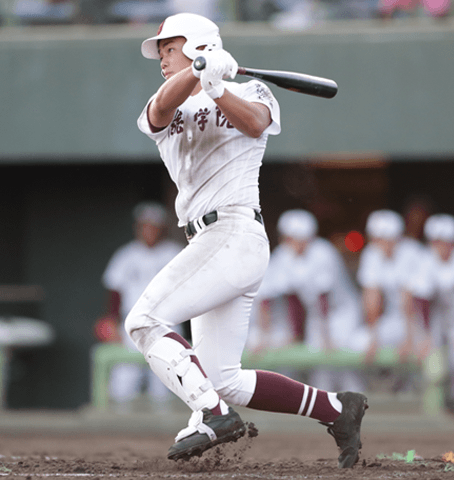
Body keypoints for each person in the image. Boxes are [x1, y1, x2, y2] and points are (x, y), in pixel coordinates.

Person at [126, 12, 368, 468]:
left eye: (169, 48)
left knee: (143, 321)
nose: (161, 57)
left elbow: (256, 124)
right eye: (159, 51)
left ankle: (213, 414)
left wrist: (218, 86)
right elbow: (160, 110)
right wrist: (199, 71)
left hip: (235, 233)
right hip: (207, 243)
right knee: (222, 377)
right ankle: (337, 409)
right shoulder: (165, 101)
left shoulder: (251, 91)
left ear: (197, 45)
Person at [249, 209, 367, 393]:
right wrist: (290, 335)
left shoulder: (323, 253)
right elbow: (274, 298)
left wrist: (327, 338)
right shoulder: (283, 255)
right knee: (318, 369)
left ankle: (360, 404)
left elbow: (323, 299)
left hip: (342, 313)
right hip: (316, 315)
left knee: (343, 366)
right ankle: (326, 413)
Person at [97, 202, 184, 411]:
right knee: (124, 381)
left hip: (167, 323)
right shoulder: (126, 255)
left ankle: (167, 430)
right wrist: (112, 322)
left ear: (161, 228)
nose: (149, 230)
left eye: (153, 226)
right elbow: (115, 293)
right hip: (132, 323)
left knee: (166, 383)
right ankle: (120, 432)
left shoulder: (174, 252)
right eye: (145, 226)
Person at [406, 214, 454, 413]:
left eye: (445, 242)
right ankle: (448, 404)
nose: (440, 246)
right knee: (433, 358)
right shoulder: (426, 259)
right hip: (441, 317)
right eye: (436, 241)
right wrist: (426, 334)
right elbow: (420, 300)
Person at [356, 209, 425, 390]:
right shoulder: (371, 253)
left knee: (420, 355)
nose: (377, 242)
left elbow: (410, 300)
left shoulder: (412, 252)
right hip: (396, 318)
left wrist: (408, 339)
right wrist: (373, 337)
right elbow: (371, 297)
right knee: (359, 342)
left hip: (422, 320)